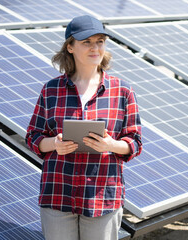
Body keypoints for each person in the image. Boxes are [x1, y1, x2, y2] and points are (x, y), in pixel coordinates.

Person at [25, 15, 142, 240]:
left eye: (100, 41)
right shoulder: (51, 90)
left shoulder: (122, 91)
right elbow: (33, 136)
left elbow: (135, 142)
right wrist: (54, 144)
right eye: (86, 42)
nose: (94, 47)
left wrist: (111, 145)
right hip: (58, 193)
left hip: (102, 195)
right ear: (70, 46)